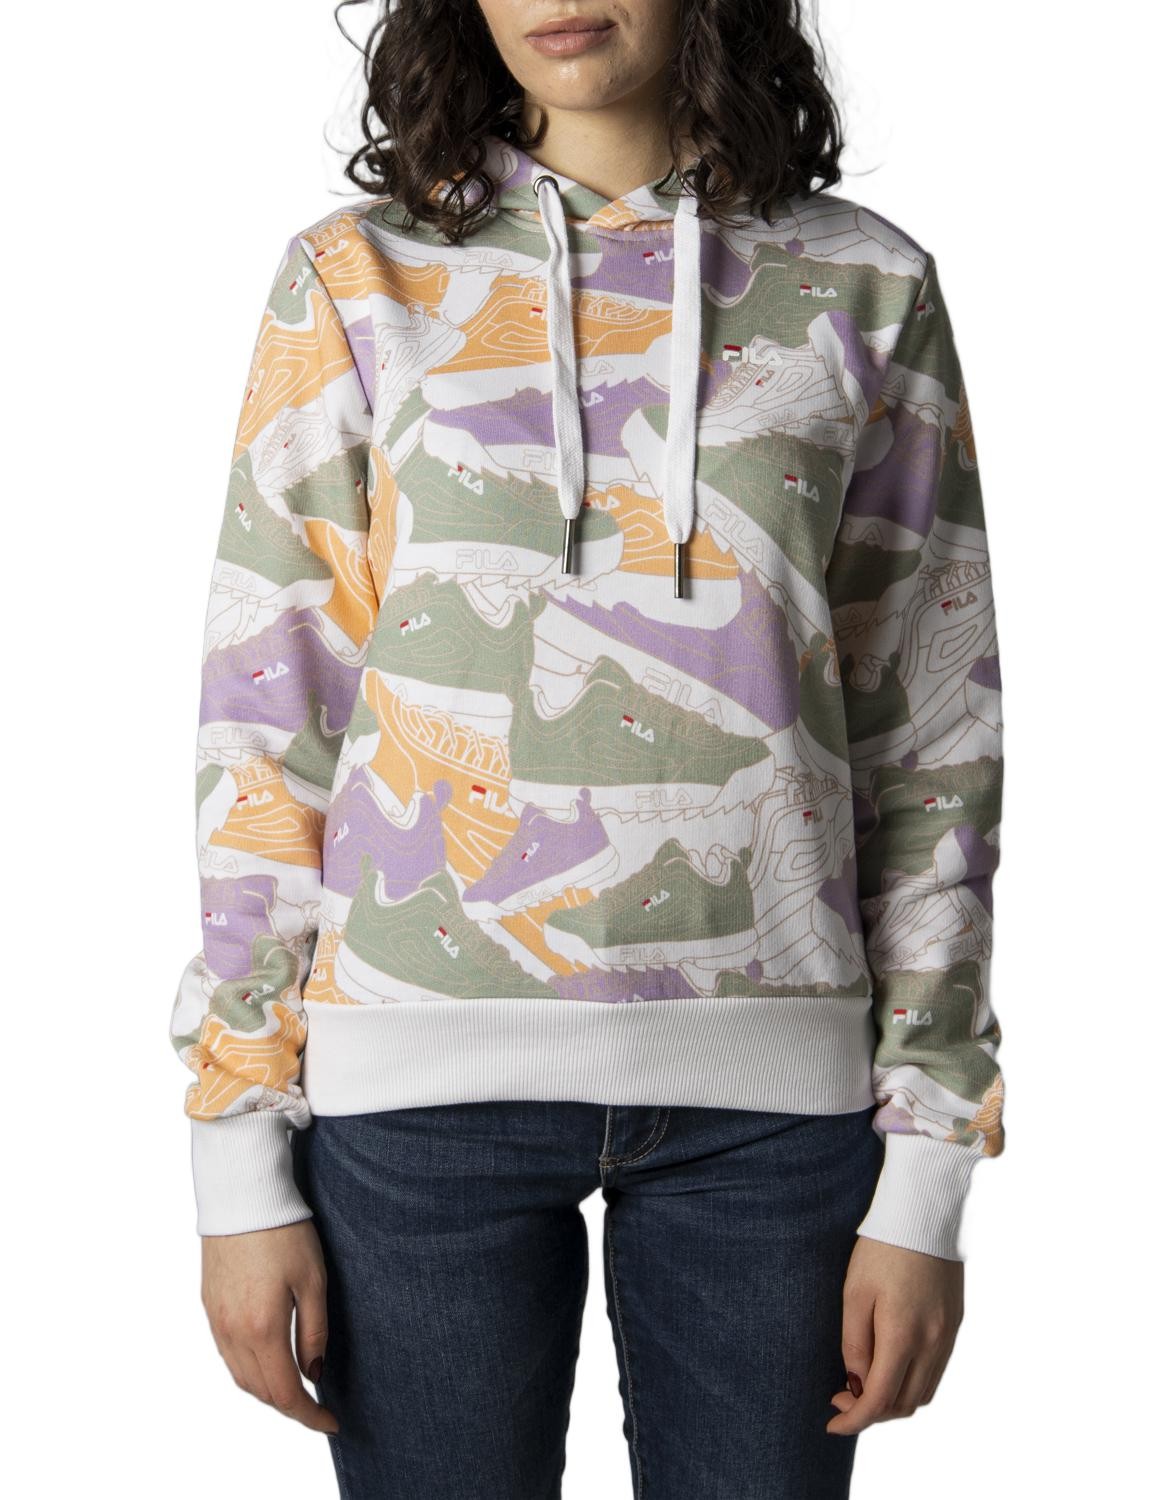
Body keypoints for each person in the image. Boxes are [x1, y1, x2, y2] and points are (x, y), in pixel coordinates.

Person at [170, 2, 1006, 1495]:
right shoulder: (356, 278)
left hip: (776, 1113)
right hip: (413, 1101)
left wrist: (929, 1169)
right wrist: (238, 1152)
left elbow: (932, 730)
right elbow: (270, 712)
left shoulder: (867, 283)